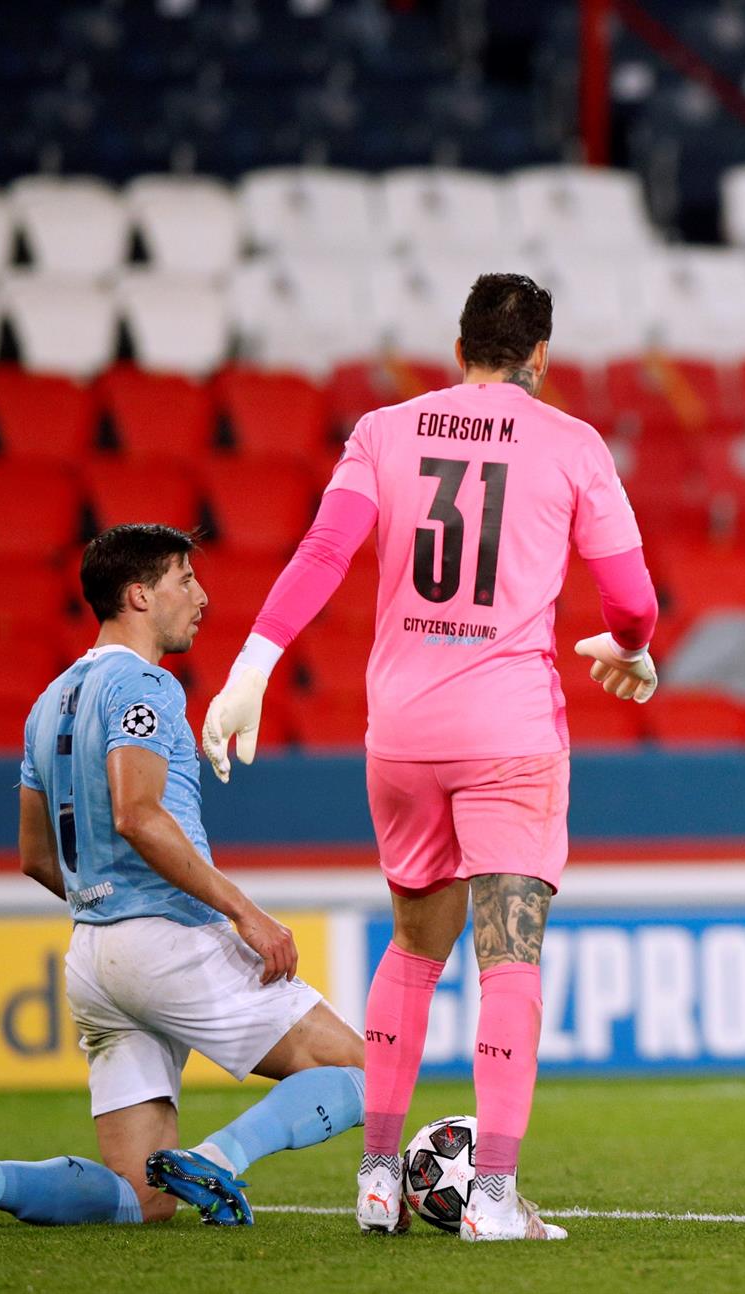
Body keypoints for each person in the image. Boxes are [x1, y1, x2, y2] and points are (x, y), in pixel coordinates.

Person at [198, 274, 660, 1243]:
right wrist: (626, 647)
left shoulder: (383, 429)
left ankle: (375, 1178)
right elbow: (633, 602)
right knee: (510, 958)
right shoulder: (573, 444)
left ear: (459, 351)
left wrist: (252, 665)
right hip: (508, 732)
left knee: (413, 948)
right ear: (540, 356)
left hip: (401, 731)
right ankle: (491, 1194)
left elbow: (324, 552)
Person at [0, 525, 366, 1233]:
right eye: (185, 580)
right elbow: (138, 814)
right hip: (166, 940)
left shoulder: (48, 704)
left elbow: (36, 856)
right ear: (139, 595)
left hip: (94, 958)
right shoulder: (144, 684)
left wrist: (104, 901)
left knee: (139, 1196)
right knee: (367, 1073)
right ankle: (222, 1159)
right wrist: (245, 914)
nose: (201, 596)